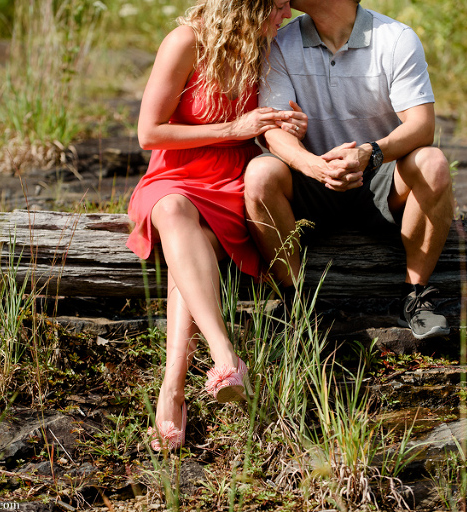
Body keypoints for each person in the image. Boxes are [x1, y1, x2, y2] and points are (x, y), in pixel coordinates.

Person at [127, 0, 303, 451]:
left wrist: (287, 125)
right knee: (170, 211)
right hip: (175, 176)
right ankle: (224, 355)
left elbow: (266, 124)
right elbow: (149, 133)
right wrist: (233, 129)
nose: (287, 13)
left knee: (188, 253)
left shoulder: (270, 46)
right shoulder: (186, 42)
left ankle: (173, 390)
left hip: (230, 187)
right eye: (278, 6)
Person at [244, 0, 455, 340]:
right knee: (259, 174)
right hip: (311, 183)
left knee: (433, 162)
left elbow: (421, 126)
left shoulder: (397, 39)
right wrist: (314, 167)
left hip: (379, 178)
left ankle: (415, 299)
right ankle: (295, 303)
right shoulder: (280, 42)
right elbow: (273, 130)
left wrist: (368, 154)